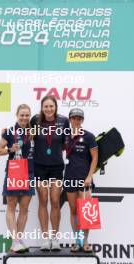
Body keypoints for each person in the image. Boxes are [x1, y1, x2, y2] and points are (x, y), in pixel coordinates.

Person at [31, 95, 69, 251]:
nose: (48, 109)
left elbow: (68, 142)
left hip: (56, 167)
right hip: (39, 166)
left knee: (55, 201)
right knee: (43, 200)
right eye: (45, 106)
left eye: (51, 106)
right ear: (42, 107)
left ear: (55, 107)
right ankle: (45, 238)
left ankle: (55, 238)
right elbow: (25, 135)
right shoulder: (35, 120)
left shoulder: (63, 121)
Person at [0, 104, 35, 253]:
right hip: (14, 172)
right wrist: (9, 150)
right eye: (22, 115)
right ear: (17, 115)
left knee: (24, 208)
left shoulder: (33, 132)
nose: (24, 118)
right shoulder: (9, 132)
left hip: (29, 172)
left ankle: (19, 239)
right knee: (12, 206)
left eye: (27, 115)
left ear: (30, 116)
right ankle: (14, 241)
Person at [63, 108, 98, 252]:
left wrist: (89, 176)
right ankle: (77, 240)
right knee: (73, 211)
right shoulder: (64, 136)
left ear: (82, 120)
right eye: (74, 118)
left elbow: (95, 158)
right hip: (69, 177)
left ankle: (85, 241)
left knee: (86, 212)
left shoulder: (89, 136)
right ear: (70, 119)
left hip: (85, 179)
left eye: (79, 118)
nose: (76, 121)